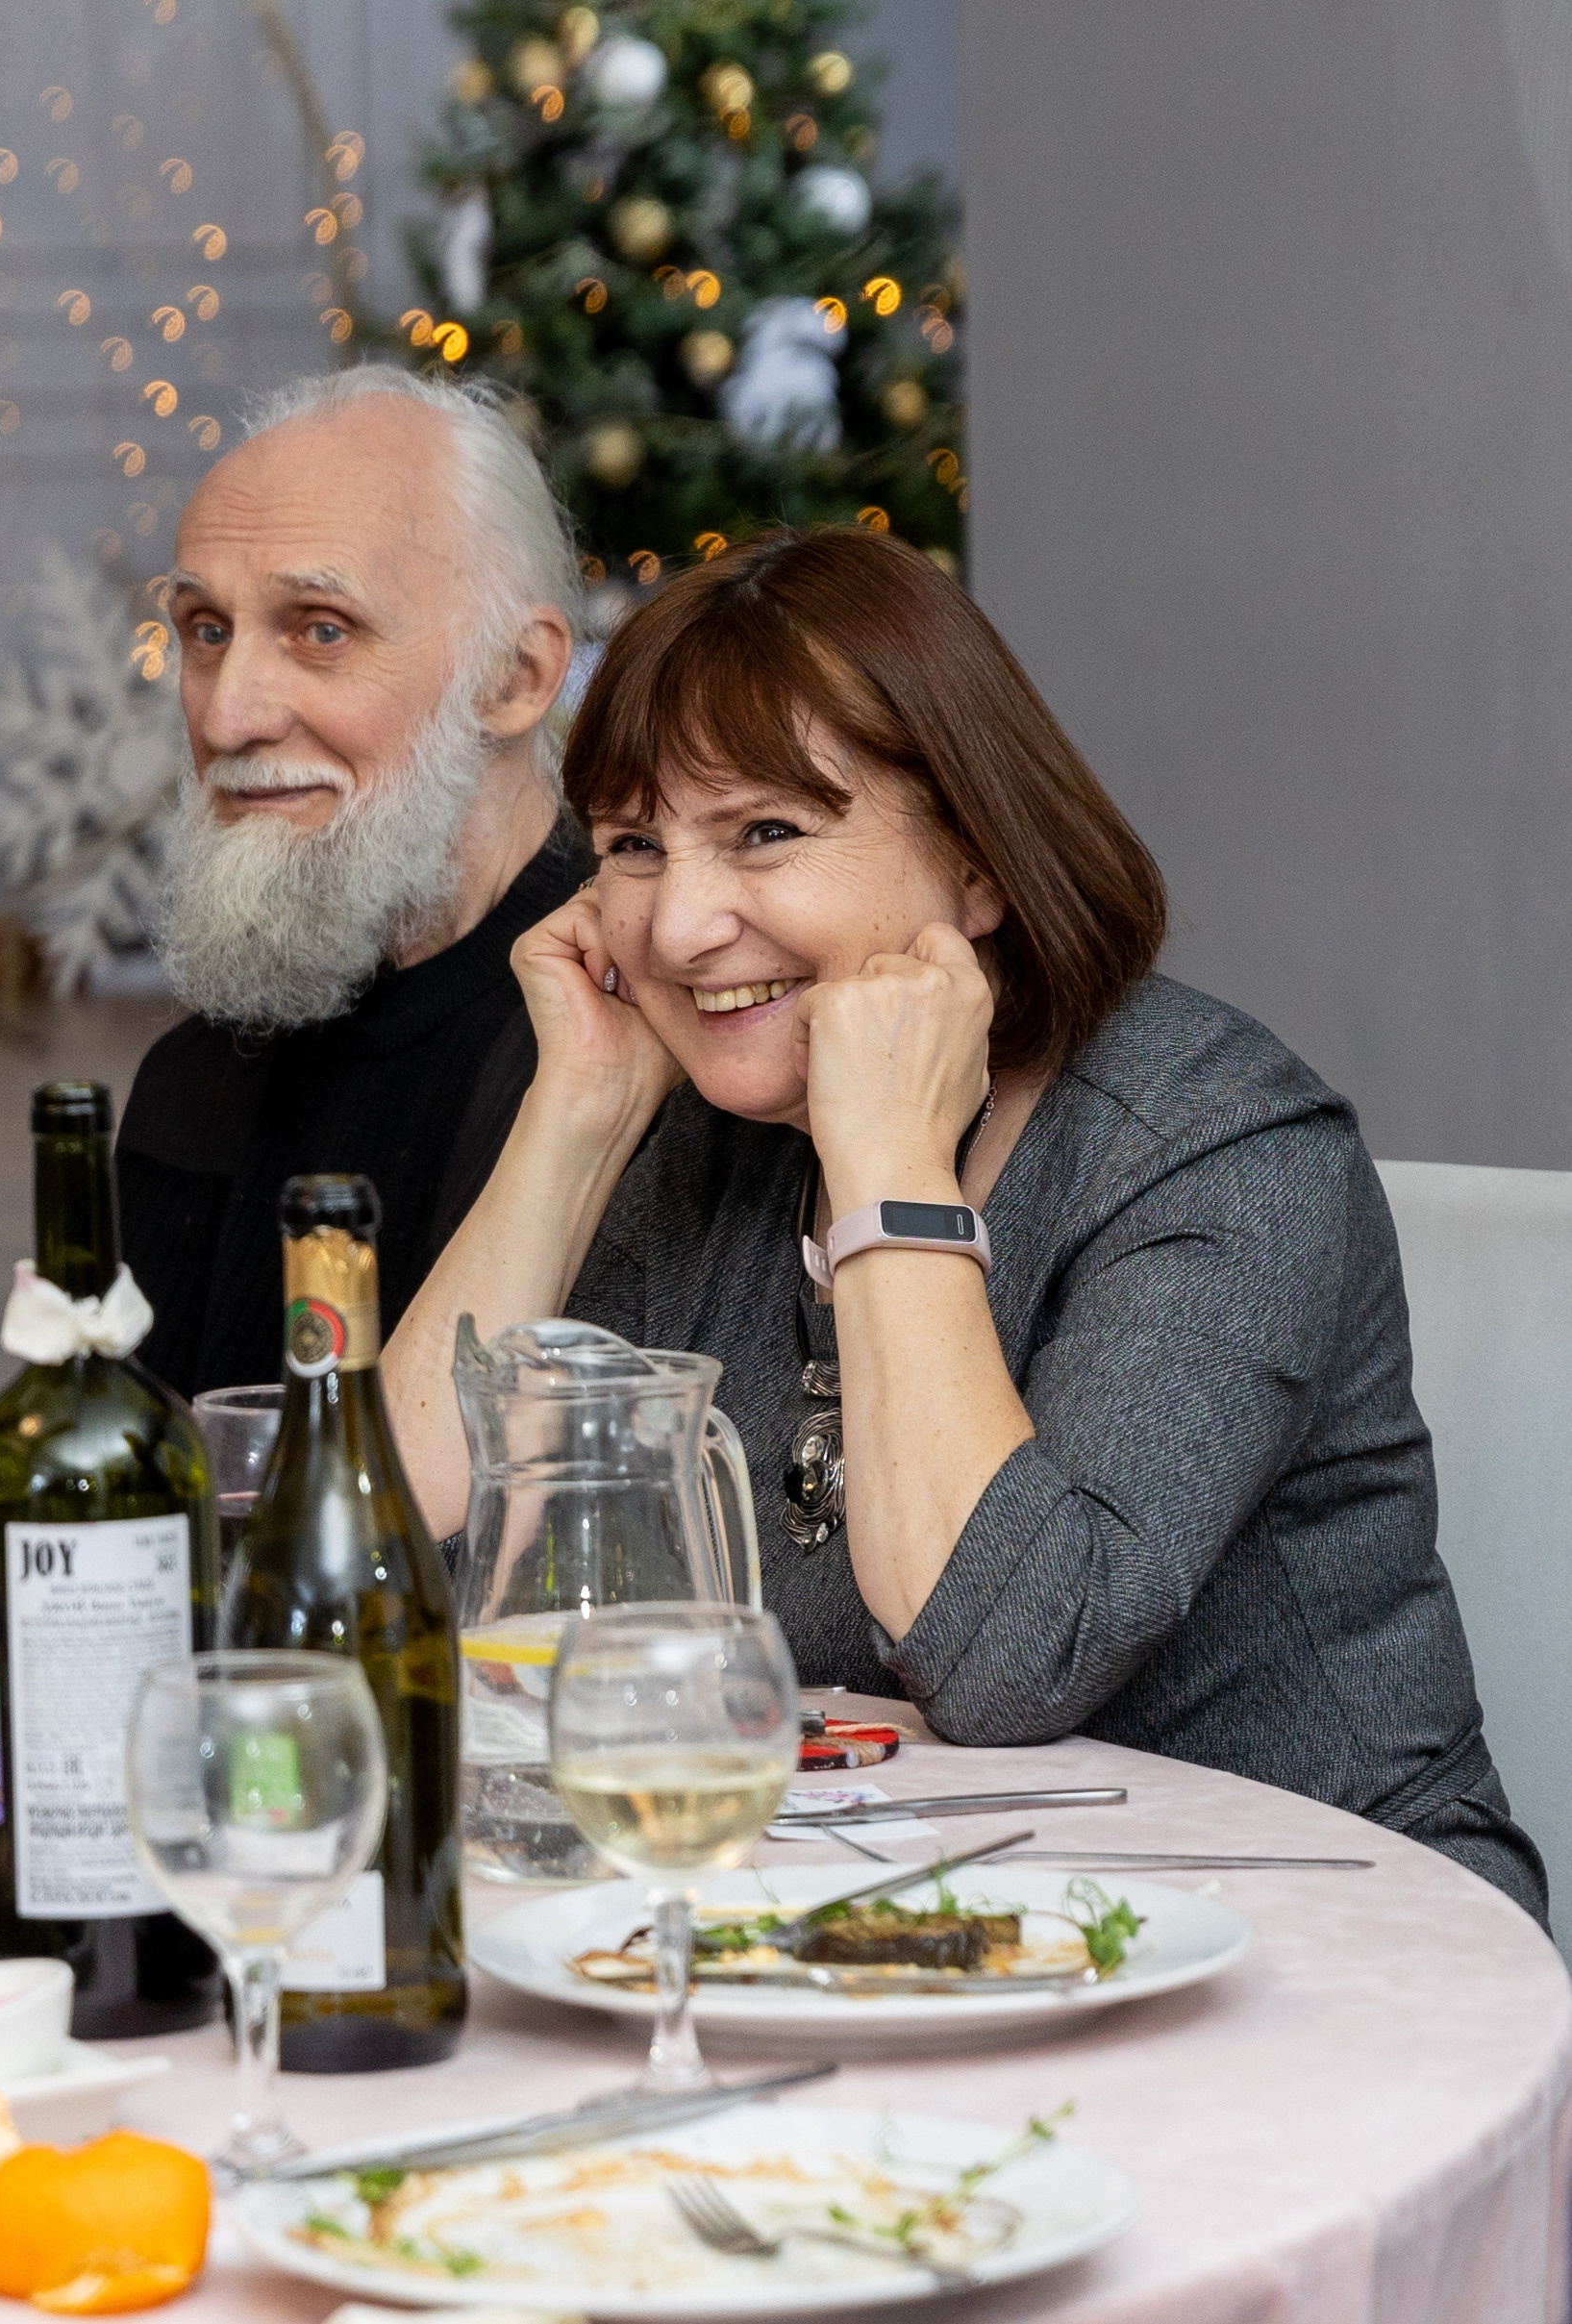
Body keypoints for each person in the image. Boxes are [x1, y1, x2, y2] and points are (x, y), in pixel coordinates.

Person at [387, 525, 1548, 1923]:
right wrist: (577, 1110)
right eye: (634, 847)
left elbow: (1010, 1658)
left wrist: (886, 1161)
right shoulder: (701, 1145)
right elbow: (394, 1568)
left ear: (977, 860)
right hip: (896, 1927)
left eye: (764, 832)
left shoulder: (1216, 1144)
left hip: (1325, 1931)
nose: (680, 925)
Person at [116, 363, 586, 1390]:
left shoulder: (639, 1045)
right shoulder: (194, 1080)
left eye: (321, 630)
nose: (228, 716)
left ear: (516, 677)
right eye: (207, 630)